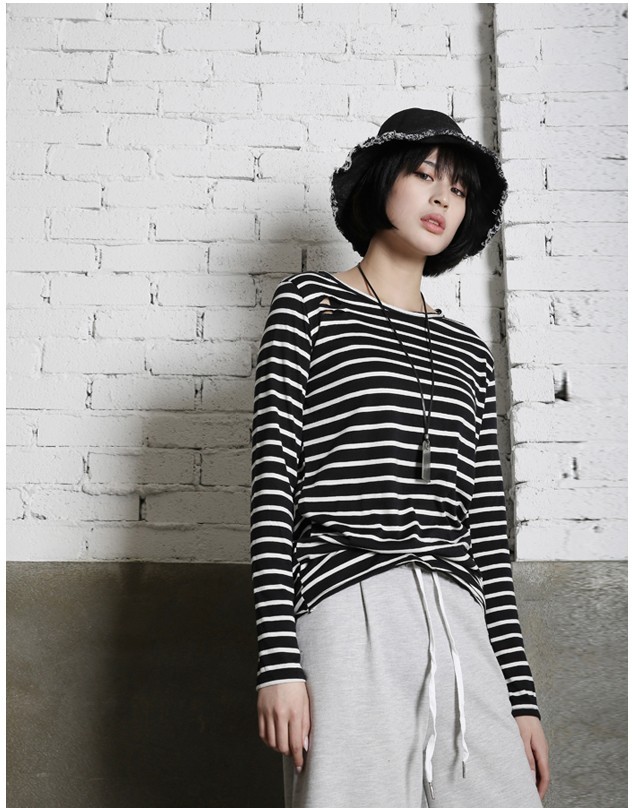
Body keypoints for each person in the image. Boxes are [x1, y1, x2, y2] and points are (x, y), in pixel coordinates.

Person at [249, 108, 551, 808]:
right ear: (383, 179)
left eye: (460, 189)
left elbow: (485, 533)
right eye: (424, 175)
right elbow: (272, 491)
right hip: (343, 603)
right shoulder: (308, 306)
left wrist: (520, 698)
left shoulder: (468, 353)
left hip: (458, 615)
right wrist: (279, 663)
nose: (444, 197)